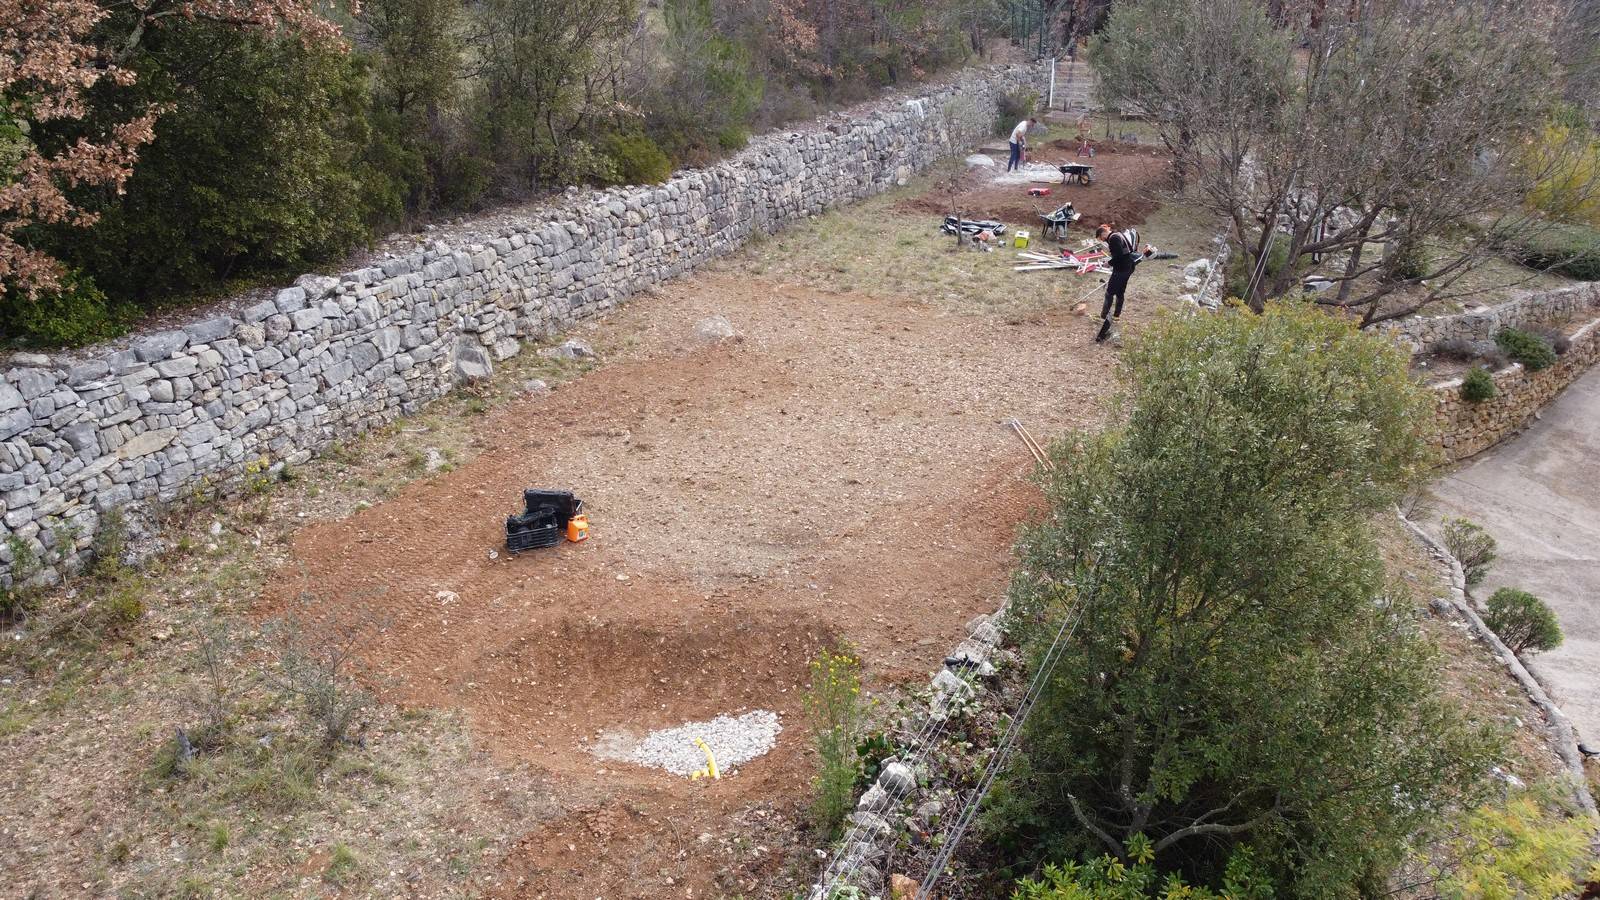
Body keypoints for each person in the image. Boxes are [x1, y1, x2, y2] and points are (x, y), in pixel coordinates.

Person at [1095, 222, 1153, 343]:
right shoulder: (1118, 234)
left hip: (1121, 269)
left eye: (1101, 238)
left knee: (1109, 293)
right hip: (1128, 267)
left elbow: (1119, 256)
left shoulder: (1113, 239)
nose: (1103, 240)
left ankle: (1104, 316)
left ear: (1103, 234)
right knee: (1120, 292)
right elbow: (1125, 252)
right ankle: (1116, 316)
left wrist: (1109, 263)